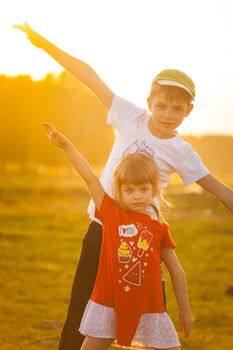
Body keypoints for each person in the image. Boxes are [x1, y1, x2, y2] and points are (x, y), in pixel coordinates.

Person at [14, 23, 233, 350]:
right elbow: (89, 77)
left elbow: (219, 190)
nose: (168, 114)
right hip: (102, 230)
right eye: (162, 105)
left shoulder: (182, 151)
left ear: (189, 111)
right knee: (80, 314)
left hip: (143, 242)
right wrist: (47, 46)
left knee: (147, 320)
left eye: (177, 108)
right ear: (150, 101)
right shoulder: (130, 116)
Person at [43, 120, 192, 350]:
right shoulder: (111, 213)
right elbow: (89, 178)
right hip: (109, 305)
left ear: (153, 189)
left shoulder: (159, 227)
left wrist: (184, 310)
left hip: (149, 309)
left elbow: (176, 269)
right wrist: (66, 147)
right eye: (129, 190)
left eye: (143, 189)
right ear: (119, 190)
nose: (137, 195)